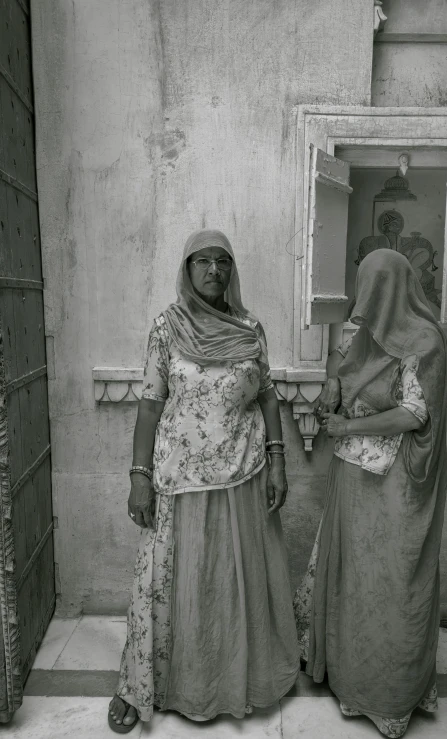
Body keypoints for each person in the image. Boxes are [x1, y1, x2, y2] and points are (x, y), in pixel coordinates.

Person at [108, 230, 299, 733]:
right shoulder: (166, 328)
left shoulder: (250, 328)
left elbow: (269, 398)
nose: (214, 270)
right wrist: (139, 477)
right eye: (203, 261)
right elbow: (150, 405)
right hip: (178, 476)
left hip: (243, 475)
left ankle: (230, 678)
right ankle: (142, 682)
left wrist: (278, 460)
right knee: (164, 583)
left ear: (231, 272)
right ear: (187, 268)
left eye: (223, 262)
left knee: (233, 584)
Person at [294, 249, 447, 738]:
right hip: (355, 475)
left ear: (393, 287)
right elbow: (340, 358)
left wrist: (347, 425)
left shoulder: (426, 342)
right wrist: (331, 386)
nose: (365, 297)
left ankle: (388, 694)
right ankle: (345, 673)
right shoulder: (371, 334)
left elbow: (414, 413)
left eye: (372, 286)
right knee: (352, 574)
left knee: (391, 580)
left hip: (397, 485)